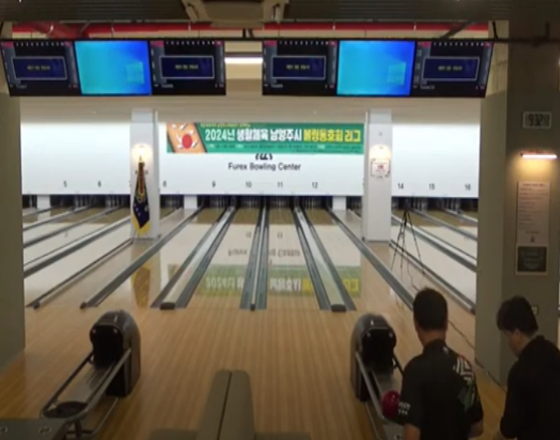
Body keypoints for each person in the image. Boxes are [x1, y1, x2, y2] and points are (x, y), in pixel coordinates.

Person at [398, 288, 484, 440]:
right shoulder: (464, 366)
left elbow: (412, 435)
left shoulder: (414, 371)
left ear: (416, 323)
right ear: (446, 323)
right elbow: (477, 427)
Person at [494, 295, 560, 440]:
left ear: (517, 334)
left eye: (507, 335)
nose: (508, 343)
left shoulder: (519, 373)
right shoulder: (553, 352)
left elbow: (509, 428)